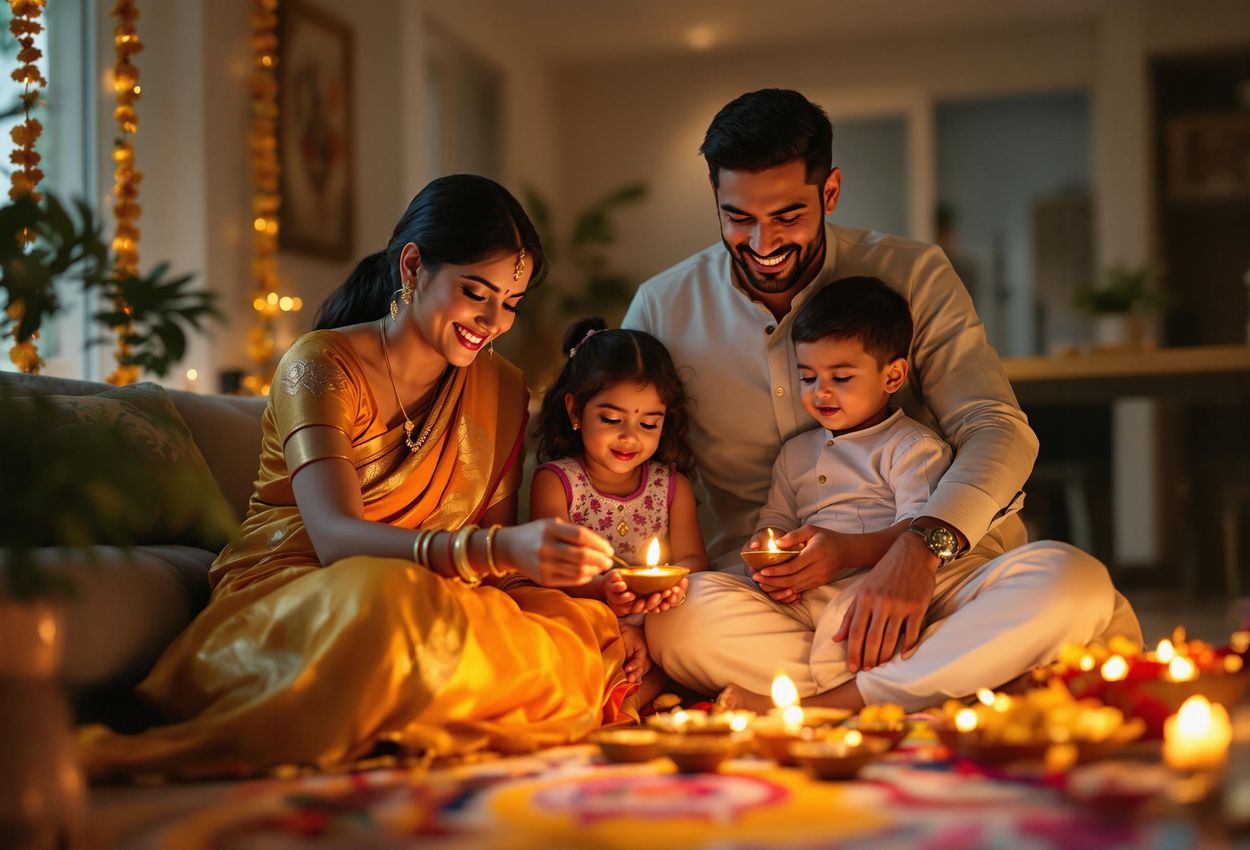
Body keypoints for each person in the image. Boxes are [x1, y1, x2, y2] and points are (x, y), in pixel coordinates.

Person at [79, 175, 634, 778]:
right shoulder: (320, 365)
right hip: (303, 593)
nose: (493, 321)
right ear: (415, 265)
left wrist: (586, 584)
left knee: (578, 627)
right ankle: (412, 707)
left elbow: (494, 577)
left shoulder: (500, 388)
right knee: (384, 600)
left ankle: (405, 707)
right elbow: (337, 541)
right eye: (476, 291)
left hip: (433, 596)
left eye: (511, 303)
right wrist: (500, 549)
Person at [623, 88, 1142, 711]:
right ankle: (956, 676)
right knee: (677, 621)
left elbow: (996, 427)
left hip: (943, 579)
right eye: (739, 218)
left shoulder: (914, 273)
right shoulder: (663, 306)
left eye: (788, 215)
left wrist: (919, 551)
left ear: (831, 192)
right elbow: (635, 467)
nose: (763, 242)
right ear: (715, 198)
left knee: (1071, 583)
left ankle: (831, 703)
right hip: (785, 607)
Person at [718, 276, 954, 711]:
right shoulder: (795, 452)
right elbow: (776, 521)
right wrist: (767, 555)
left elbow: (916, 531)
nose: (820, 392)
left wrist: (846, 552)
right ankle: (889, 687)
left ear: (893, 375)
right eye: (807, 377)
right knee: (693, 599)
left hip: (870, 587)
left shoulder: (910, 447)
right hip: (798, 598)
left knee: (842, 634)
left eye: (840, 377)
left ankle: (822, 707)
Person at [530, 317, 709, 705]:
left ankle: (642, 686)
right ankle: (613, 702)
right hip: (585, 611)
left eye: (649, 423)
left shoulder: (671, 485)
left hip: (657, 617)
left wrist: (663, 593)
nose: (631, 437)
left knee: (702, 613)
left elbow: (695, 559)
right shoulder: (556, 481)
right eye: (612, 420)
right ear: (575, 410)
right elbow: (549, 569)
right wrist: (604, 592)